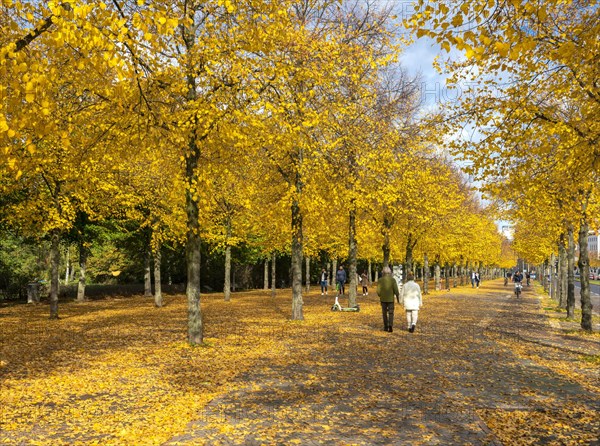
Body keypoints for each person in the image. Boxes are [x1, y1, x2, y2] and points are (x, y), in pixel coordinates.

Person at [377, 266, 400, 332]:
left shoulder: (380, 280)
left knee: (384, 313)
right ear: (390, 272)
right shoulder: (393, 280)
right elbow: (396, 290)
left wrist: (380, 295)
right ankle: (390, 325)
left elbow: (378, 291)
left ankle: (385, 326)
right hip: (390, 299)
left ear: (383, 272)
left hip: (383, 299)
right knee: (391, 312)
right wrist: (398, 299)